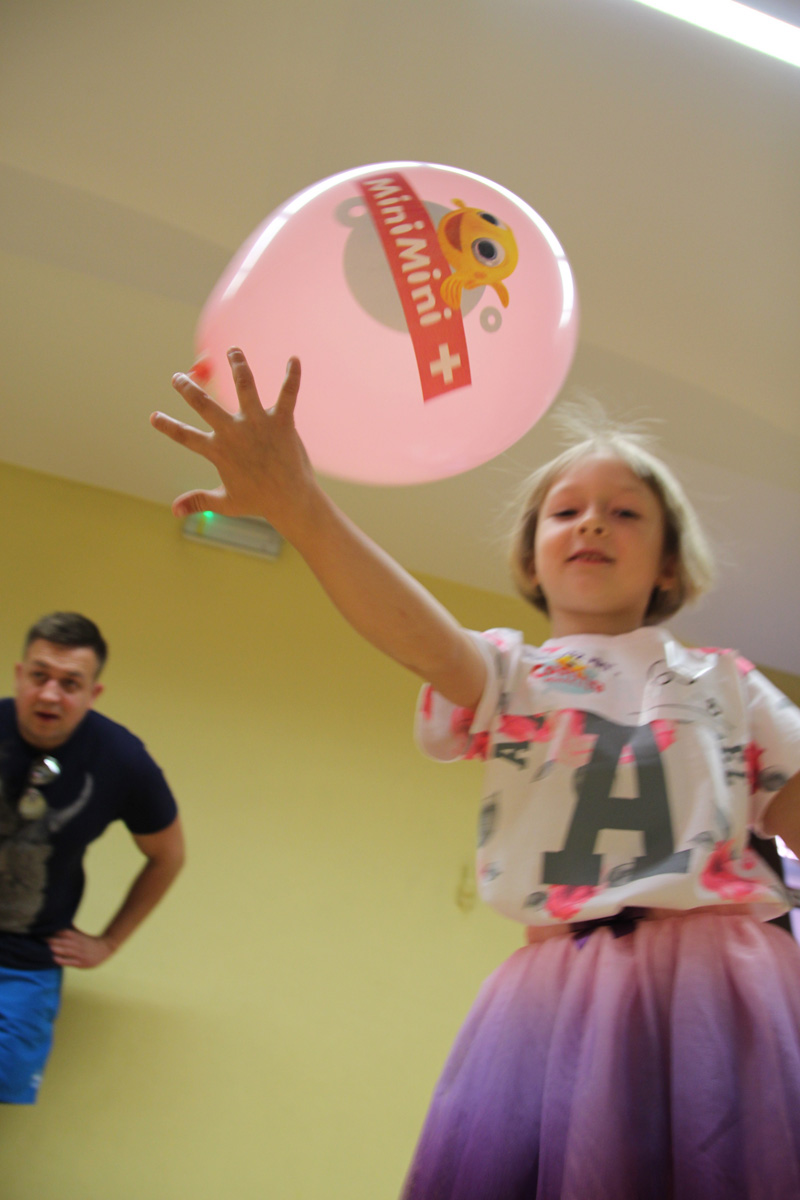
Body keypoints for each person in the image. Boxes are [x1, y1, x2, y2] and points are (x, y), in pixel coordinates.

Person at [151, 349, 800, 1199]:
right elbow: (421, 638)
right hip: (556, 994)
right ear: (531, 559)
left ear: (669, 564)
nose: (592, 524)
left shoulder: (728, 683)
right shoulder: (511, 674)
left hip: (723, 989)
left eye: (624, 513)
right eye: (566, 511)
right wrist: (300, 507)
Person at [0, 613, 184, 1105]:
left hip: (26, 961)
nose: (50, 694)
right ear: (18, 675)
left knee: (5, 1079)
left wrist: (109, 942)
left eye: (70, 683)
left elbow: (167, 856)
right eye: (39, 675)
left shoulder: (122, 761)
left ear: (92, 694)